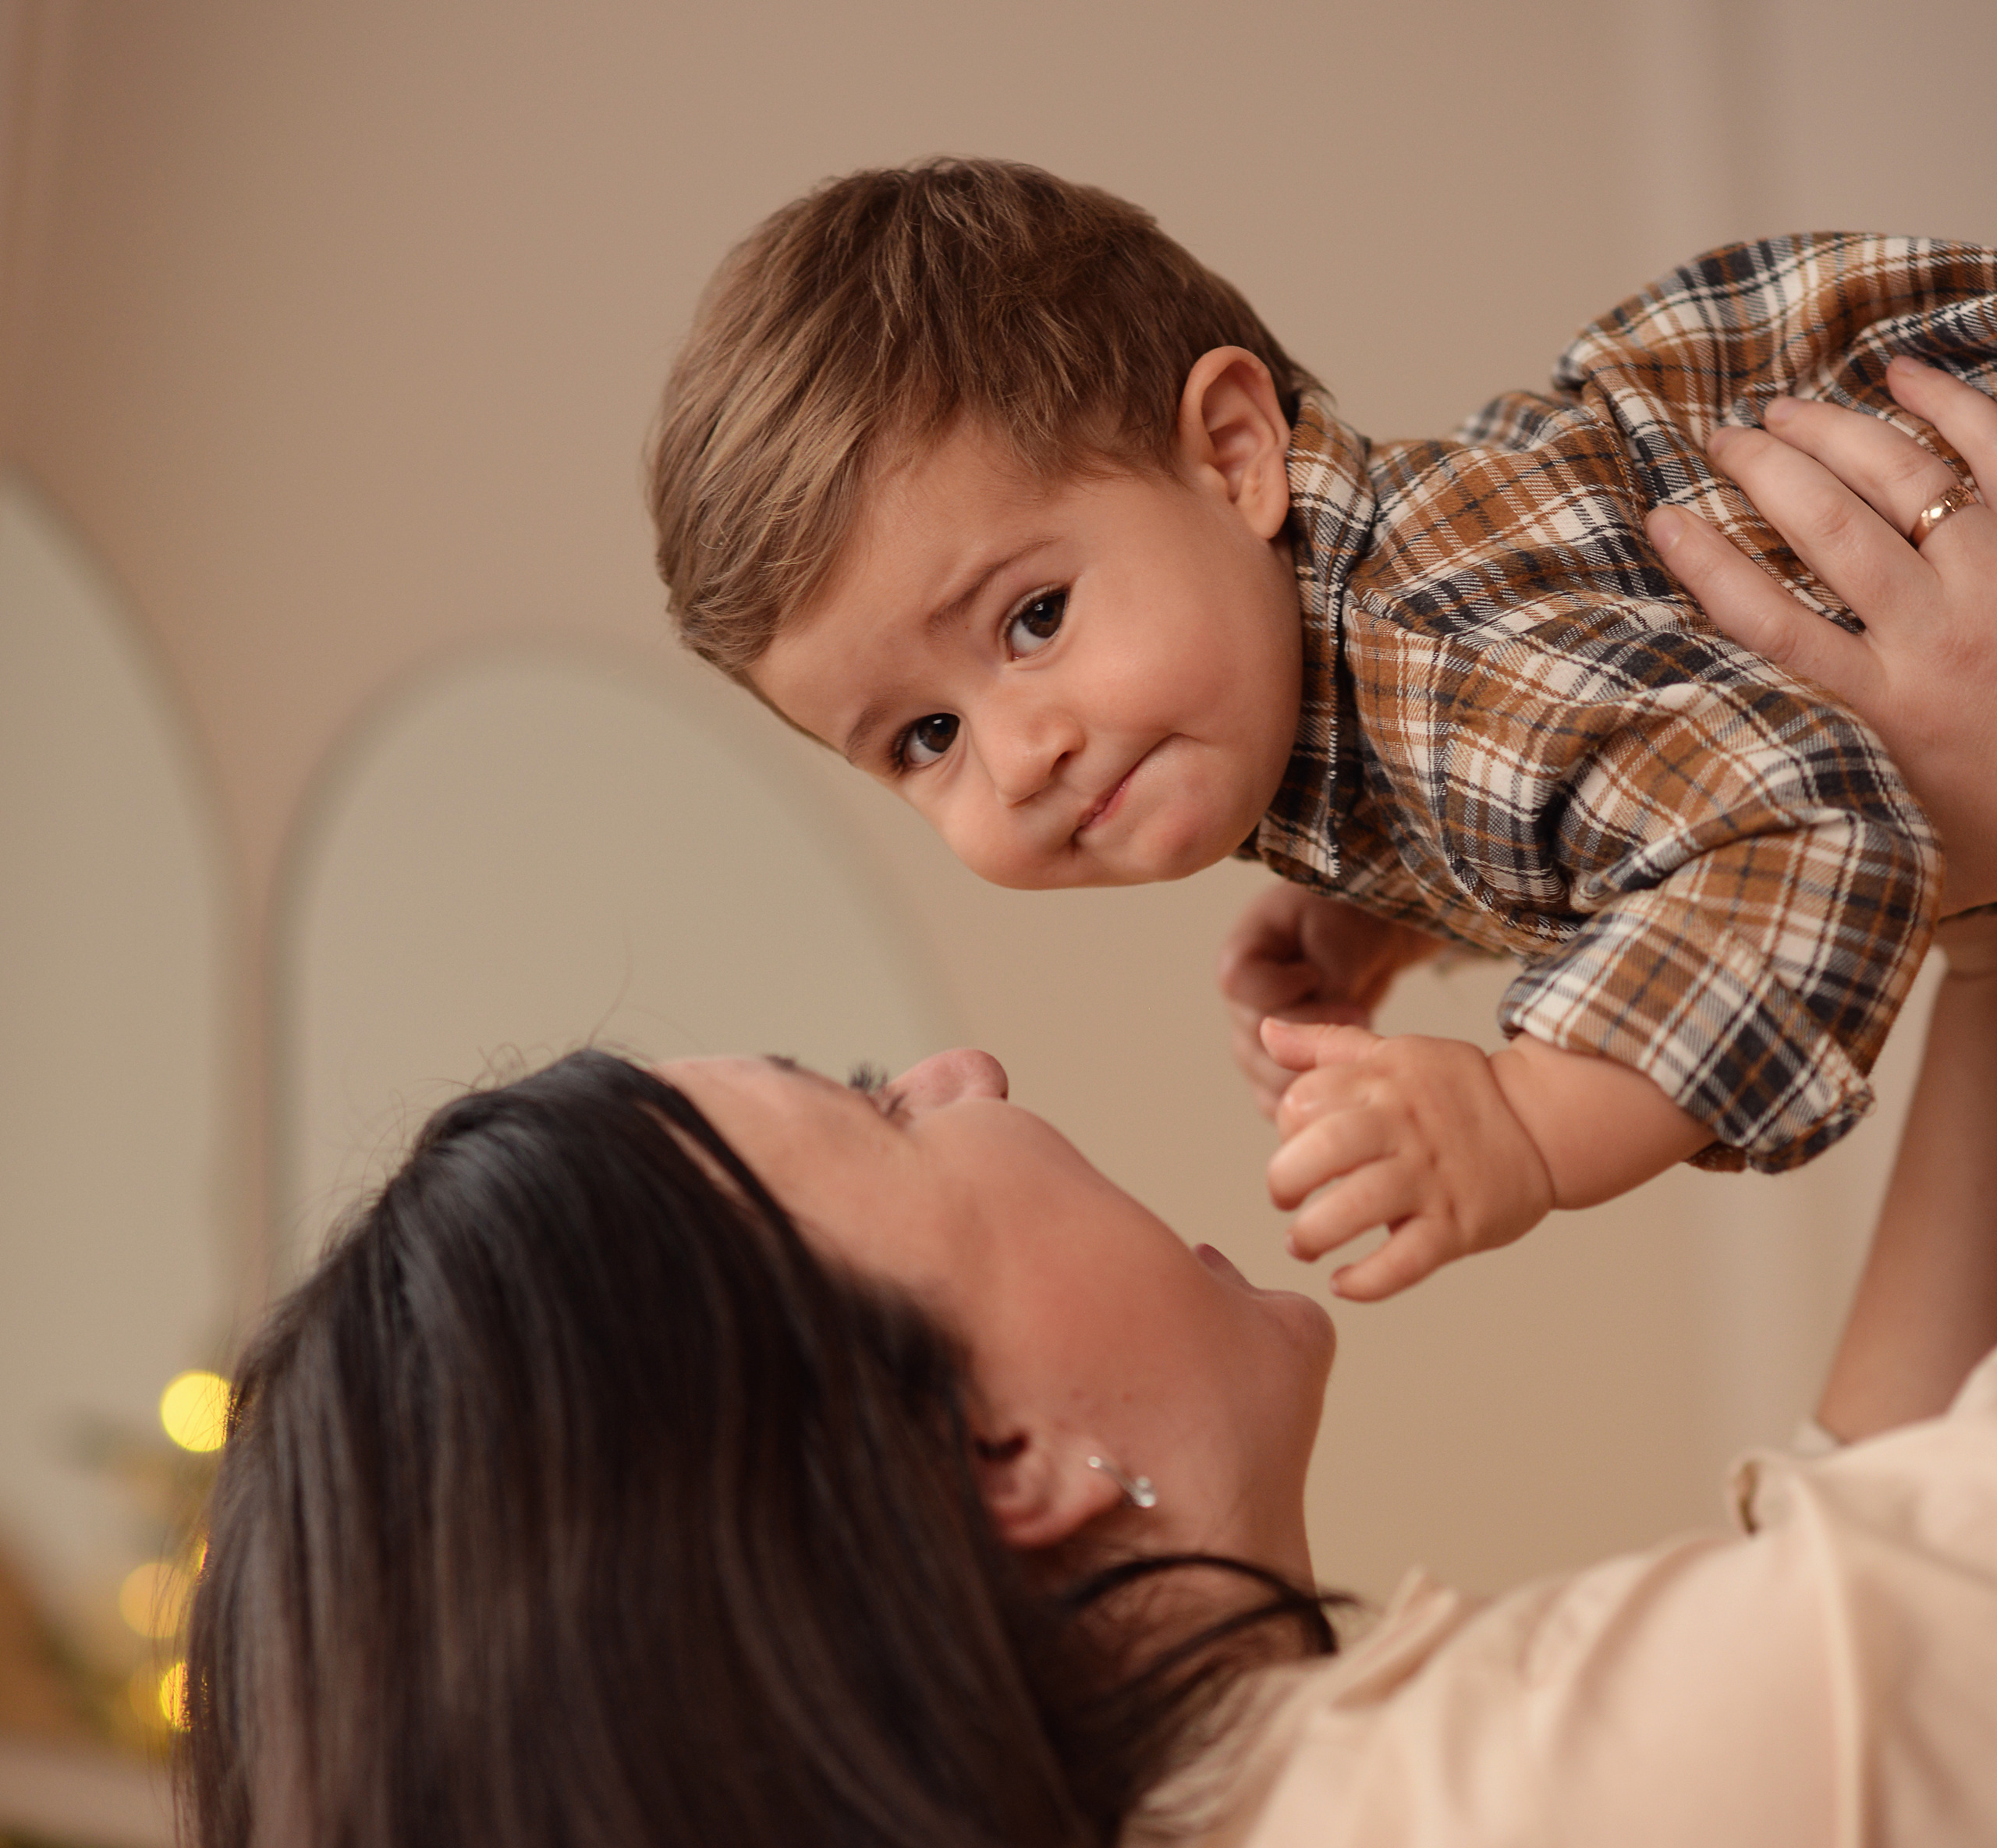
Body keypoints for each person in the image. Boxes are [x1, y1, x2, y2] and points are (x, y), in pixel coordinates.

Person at [183, 386, 1997, 1848]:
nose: (965, 1073)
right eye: (880, 1112)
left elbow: (1871, 1544)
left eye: (1036, 620)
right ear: (996, 1465)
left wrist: (1978, 920)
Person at [647, 158, 1997, 1300]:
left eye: (1035, 616)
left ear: (1234, 454)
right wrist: (1412, 910)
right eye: (924, 740)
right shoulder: (1355, 689)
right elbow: (1642, 746)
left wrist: (1526, 1122)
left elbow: (1801, 825)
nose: (1020, 753)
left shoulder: (1432, 645)